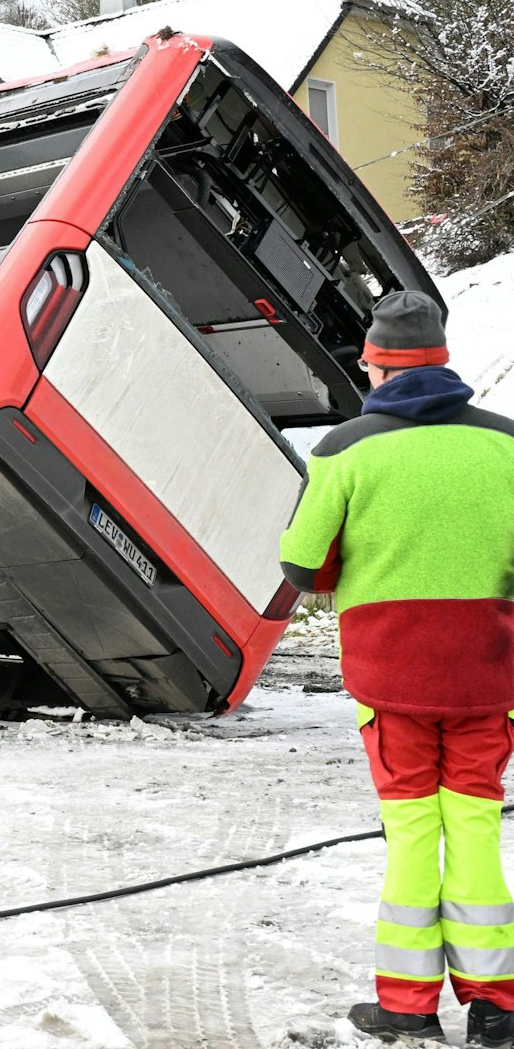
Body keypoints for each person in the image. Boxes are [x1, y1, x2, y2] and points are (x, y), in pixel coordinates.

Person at [281, 290, 514, 1044]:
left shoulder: (345, 449)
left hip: (392, 682)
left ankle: (409, 1011)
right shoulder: (507, 445)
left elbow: (303, 567)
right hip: (490, 678)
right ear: (442, 361)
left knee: (413, 832)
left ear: (373, 364)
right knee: (474, 828)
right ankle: (496, 1010)